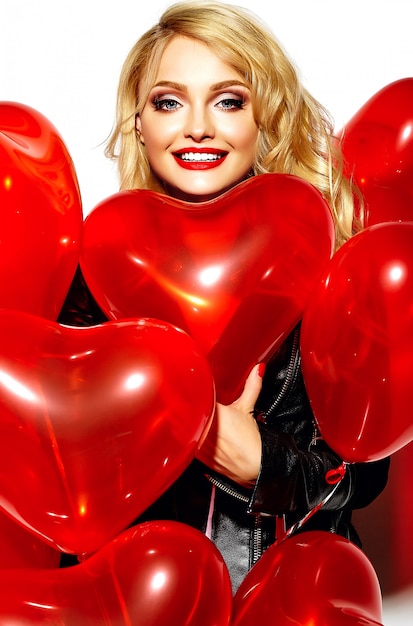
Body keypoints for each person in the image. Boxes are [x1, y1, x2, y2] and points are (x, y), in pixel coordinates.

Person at [59, 0, 390, 593]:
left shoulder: (331, 263)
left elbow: (364, 475)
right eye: (168, 102)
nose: (198, 127)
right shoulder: (91, 270)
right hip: (135, 598)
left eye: (228, 100)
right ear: (139, 123)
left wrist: (264, 464)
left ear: (264, 118)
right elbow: (61, 462)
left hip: (283, 594)